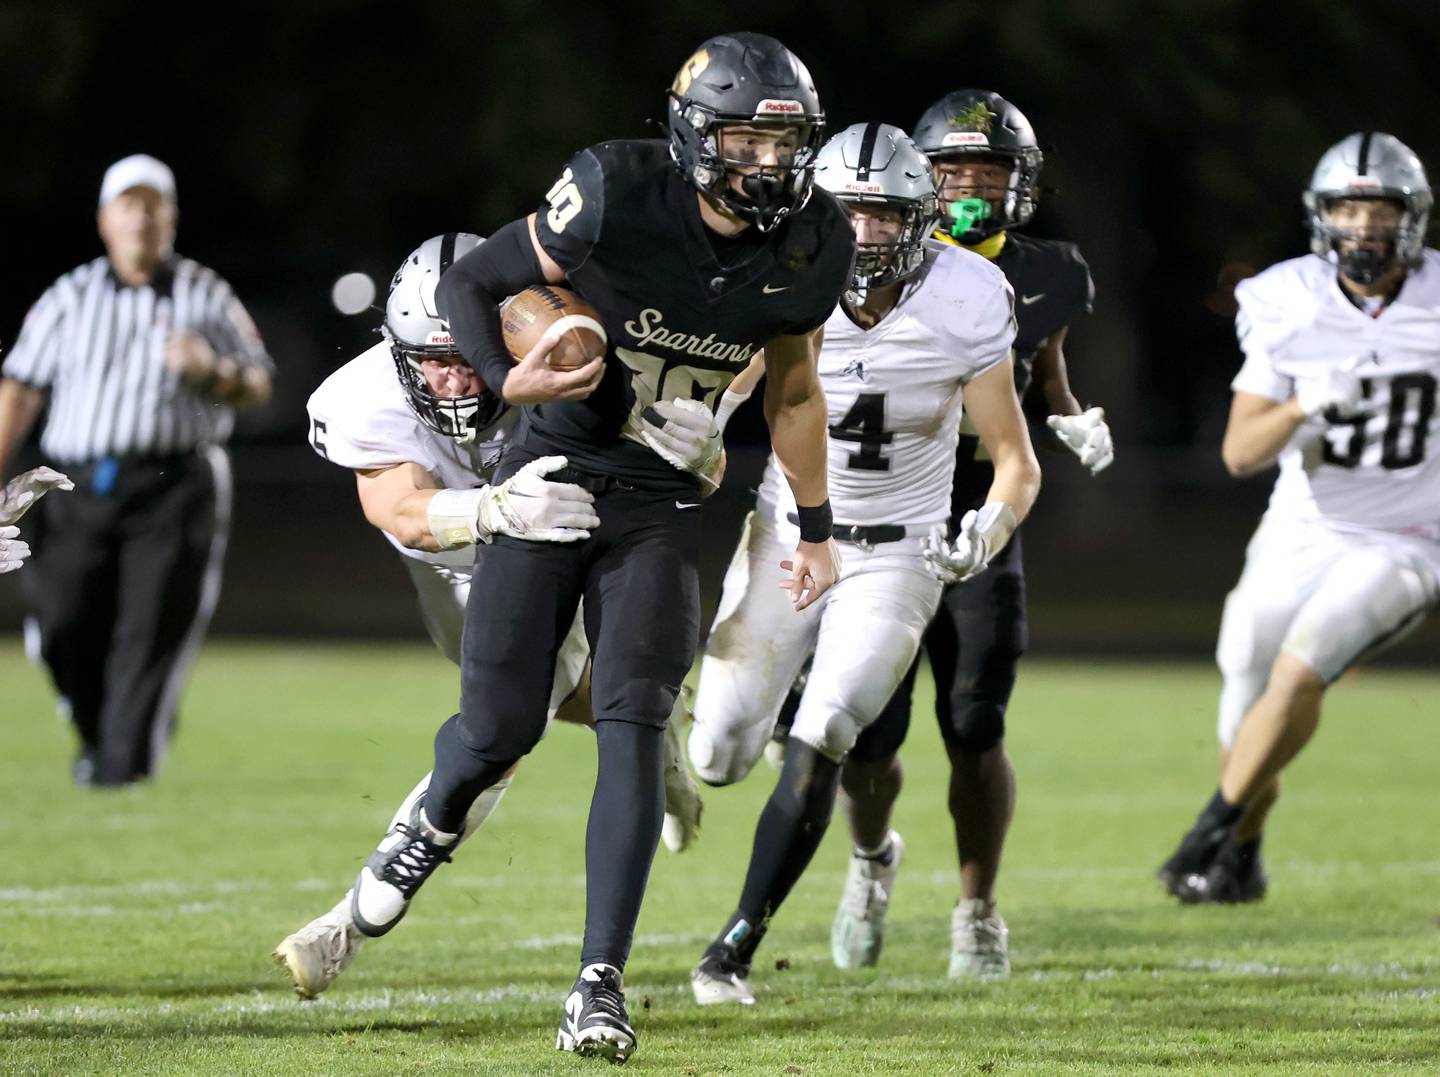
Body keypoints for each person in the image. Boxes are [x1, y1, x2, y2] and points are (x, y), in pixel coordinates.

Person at [340, 33, 854, 1063]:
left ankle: (599, 984)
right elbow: (474, 281)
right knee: (496, 730)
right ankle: (424, 828)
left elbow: (794, 386)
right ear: (698, 137)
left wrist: (819, 525)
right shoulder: (616, 187)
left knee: (634, 716)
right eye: (750, 141)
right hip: (551, 481)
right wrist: (505, 378)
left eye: (787, 142)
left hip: (662, 499)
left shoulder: (815, 239)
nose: (772, 165)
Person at [272, 233, 713, 998]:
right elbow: (401, 513)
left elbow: (673, 444)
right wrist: (493, 507)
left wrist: (706, 458)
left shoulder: (563, 346)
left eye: (462, 355)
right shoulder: (363, 395)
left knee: (516, 721)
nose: (450, 379)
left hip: (566, 537)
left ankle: (359, 909)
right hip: (453, 563)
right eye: (428, 360)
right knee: (550, 701)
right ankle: (660, 747)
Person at [686, 121, 1039, 1006]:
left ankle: (731, 948)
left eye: (886, 216)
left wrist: (987, 528)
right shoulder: (782, 264)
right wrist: (688, 435)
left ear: (922, 220)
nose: (868, 234)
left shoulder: (969, 293)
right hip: (786, 532)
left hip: (900, 553)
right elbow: (725, 389)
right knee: (718, 756)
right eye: (852, 213)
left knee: (833, 726)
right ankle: (849, 821)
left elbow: (1014, 458)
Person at [767, 90, 1110, 979]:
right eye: (949, 169)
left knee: (975, 719)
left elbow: (1040, 372)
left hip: (980, 503)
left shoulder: (1045, 272)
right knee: (870, 738)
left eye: (986, 170)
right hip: (876, 511)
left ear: (1019, 182)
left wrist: (1069, 414)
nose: (967, 185)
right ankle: (870, 861)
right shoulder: (861, 253)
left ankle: (977, 909)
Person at [1157, 132, 1440, 904]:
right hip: (1301, 527)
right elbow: (1240, 451)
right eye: (1346, 209)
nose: (1362, 227)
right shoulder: (1288, 298)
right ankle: (1244, 855)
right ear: (1322, 217)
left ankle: (1207, 831)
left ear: (1409, 219)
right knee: (1247, 669)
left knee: (1302, 663)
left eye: (1377, 210)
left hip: (1406, 538)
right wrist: (1306, 402)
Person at [0, 154, 272, 787]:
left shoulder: (205, 294)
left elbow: (258, 384)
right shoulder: (70, 296)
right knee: (64, 620)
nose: (141, 218)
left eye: (153, 205)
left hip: (171, 485)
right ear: (105, 220)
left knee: (149, 632)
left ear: (171, 217)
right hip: (71, 485)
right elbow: (18, 390)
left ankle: (121, 773)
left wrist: (213, 371)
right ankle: (100, 740)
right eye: (129, 205)